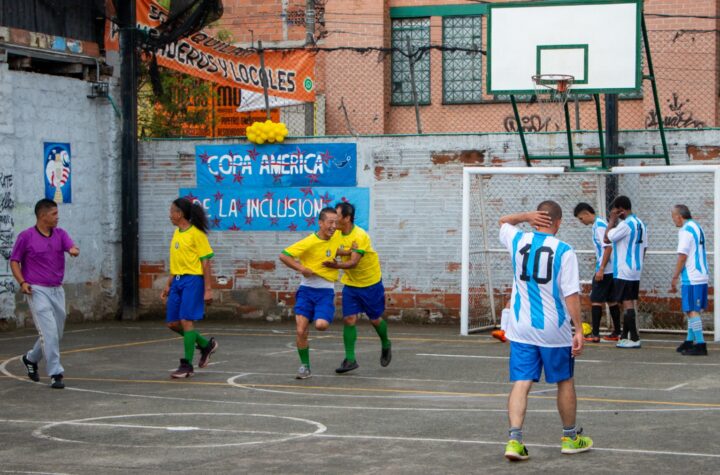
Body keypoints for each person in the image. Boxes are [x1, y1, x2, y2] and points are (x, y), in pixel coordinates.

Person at [498, 201, 592, 462]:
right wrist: (578, 330)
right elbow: (571, 294)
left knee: (522, 381)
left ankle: (514, 441)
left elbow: (504, 220)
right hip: (554, 328)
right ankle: (570, 437)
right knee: (564, 380)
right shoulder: (564, 251)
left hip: (521, 327)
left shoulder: (517, 240)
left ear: (535, 220)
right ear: (559, 222)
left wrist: (524, 215)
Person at [10, 199, 79, 389]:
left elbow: (71, 247)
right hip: (36, 289)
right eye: (54, 214)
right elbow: (14, 261)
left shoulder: (60, 234)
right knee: (48, 332)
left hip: (57, 290)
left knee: (56, 333)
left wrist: (73, 250)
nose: (58, 217)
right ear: (42, 216)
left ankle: (30, 358)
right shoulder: (26, 237)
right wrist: (22, 282)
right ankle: (56, 373)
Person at [321, 202, 391, 374]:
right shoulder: (336, 233)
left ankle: (386, 343)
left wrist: (335, 265)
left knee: (375, 319)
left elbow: (353, 262)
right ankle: (350, 360)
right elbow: (331, 247)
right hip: (351, 284)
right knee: (349, 319)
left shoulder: (360, 236)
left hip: (370, 282)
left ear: (347, 218)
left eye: (337, 216)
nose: (334, 220)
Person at [279, 207, 341, 379]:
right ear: (320, 223)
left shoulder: (337, 237)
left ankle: (323, 311)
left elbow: (337, 249)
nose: (334, 226)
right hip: (306, 290)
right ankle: (304, 366)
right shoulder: (308, 242)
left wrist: (347, 254)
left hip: (325, 291)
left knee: (321, 325)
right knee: (301, 331)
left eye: (336, 222)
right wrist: (302, 268)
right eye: (330, 222)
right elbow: (284, 255)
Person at [161, 198, 218, 379]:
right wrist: (168, 284)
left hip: (193, 280)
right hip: (177, 281)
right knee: (172, 323)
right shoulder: (177, 233)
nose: (170, 215)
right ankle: (205, 345)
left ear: (180, 214)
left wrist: (208, 288)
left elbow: (206, 262)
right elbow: (177, 263)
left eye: (172, 211)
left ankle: (186, 365)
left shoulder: (197, 234)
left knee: (186, 321)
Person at [573, 203, 621, 342]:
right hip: (611, 269)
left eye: (581, 218)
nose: (581, 222)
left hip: (605, 270)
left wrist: (601, 269)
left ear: (587, 213)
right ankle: (617, 332)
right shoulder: (599, 224)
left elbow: (607, 247)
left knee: (596, 300)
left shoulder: (599, 226)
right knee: (611, 300)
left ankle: (595, 334)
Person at [604, 196, 647, 349]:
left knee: (627, 303)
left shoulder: (626, 224)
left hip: (624, 269)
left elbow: (607, 238)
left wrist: (611, 221)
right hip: (636, 268)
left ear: (621, 209)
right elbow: (645, 247)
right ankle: (625, 336)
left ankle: (634, 338)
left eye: (616, 211)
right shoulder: (640, 223)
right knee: (627, 301)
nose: (614, 214)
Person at [670, 205, 709, 356]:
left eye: (673, 216)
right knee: (692, 310)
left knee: (692, 310)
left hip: (692, 276)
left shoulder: (685, 230)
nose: (673, 219)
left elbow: (682, 256)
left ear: (679, 216)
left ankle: (700, 344)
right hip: (701, 274)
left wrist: (675, 276)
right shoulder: (697, 226)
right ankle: (689, 340)